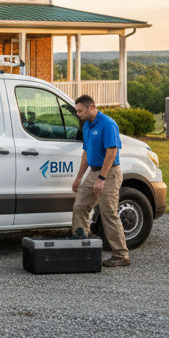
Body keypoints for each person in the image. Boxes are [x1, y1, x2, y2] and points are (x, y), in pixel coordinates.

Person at [70, 95, 130, 268]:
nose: (78, 114)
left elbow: (111, 153)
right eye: (77, 111)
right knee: (79, 206)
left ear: (92, 107)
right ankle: (83, 247)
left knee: (108, 212)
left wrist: (101, 179)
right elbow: (86, 153)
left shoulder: (108, 124)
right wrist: (79, 177)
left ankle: (121, 255)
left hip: (109, 173)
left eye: (80, 110)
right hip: (93, 171)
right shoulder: (87, 126)